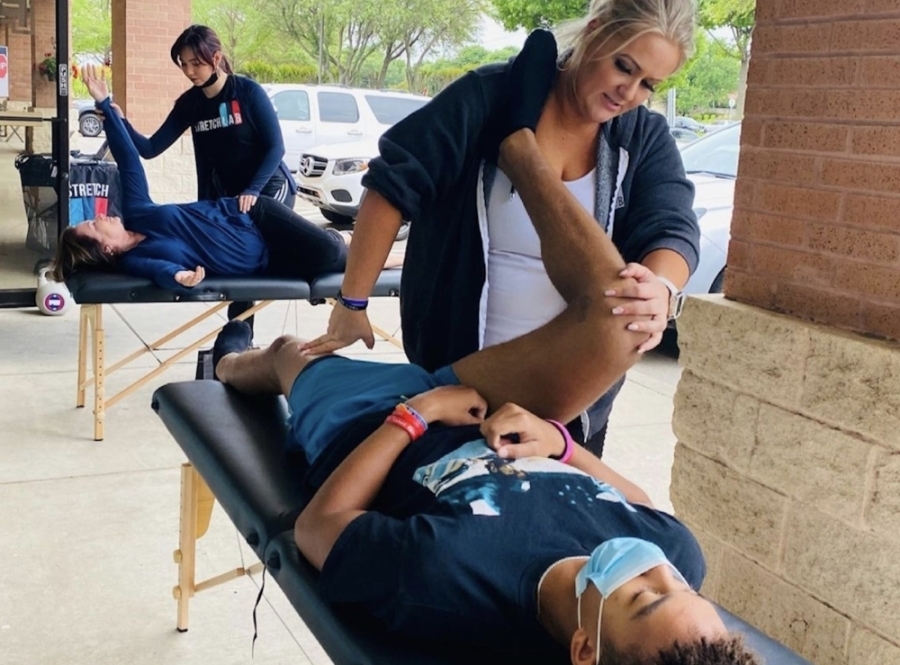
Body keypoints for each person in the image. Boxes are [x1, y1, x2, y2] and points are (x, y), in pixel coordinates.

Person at [207, 124, 760, 664]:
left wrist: (414, 416)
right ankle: (522, 147)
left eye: (643, 596)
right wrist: (561, 446)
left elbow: (318, 527)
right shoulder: (677, 557)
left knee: (289, 353)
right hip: (483, 407)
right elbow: (639, 504)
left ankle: (228, 360)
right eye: (682, 586)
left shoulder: (447, 575)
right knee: (612, 323)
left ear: (585, 650)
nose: (653, 566)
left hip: (373, 426)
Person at [301, 0, 701, 457]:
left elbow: (672, 226)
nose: (628, 91)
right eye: (623, 66)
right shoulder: (490, 96)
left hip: (567, 409)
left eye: (648, 83)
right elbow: (392, 184)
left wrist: (661, 288)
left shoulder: (642, 138)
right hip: (460, 387)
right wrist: (353, 301)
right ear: (595, 31)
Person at [49, 65, 391, 288]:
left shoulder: (137, 212)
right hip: (264, 261)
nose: (100, 216)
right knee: (329, 265)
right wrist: (180, 276)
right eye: (93, 225)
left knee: (332, 254)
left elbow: (130, 163)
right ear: (106, 248)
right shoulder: (136, 259)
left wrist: (107, 106)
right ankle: (394, 255)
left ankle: (369, 247)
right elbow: (158, 270)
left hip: (254, 216)